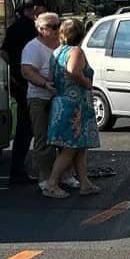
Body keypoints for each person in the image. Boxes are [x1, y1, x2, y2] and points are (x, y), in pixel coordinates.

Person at [44, 18, 101, 198]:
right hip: (74, 105)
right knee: (69, 148)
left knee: (79, 146)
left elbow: (53, 75)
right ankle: (51, 184)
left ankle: (84, 183)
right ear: (81, 34)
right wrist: (87, 83)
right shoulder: (76, 51)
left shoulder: (57, 51)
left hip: (62, 101)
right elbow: (73, 71)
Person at [1, 0, 47, 183]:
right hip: (32, 84)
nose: (44, 13)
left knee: (24, 127)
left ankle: (17, 168)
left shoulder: (13, 27)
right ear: (36, 8)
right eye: (43, 9)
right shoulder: (33, 30)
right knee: (34, 128)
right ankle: (38, 171)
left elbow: (3, 53)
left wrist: (14, 68)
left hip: (17, 82)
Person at [21, 11, 62, 190]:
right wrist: (45, 84)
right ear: (41, 29)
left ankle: (65, 175)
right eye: (53, 26)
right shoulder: (33, 47)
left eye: (59, 25)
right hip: (40, 97)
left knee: (64, 139)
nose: (57, 29)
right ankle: (44, 178)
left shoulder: (61, 44)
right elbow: (27, 71)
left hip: (60, 98)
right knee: (43, 139)